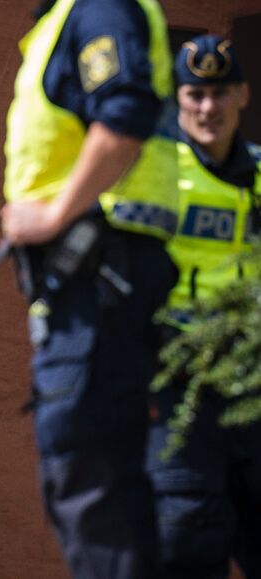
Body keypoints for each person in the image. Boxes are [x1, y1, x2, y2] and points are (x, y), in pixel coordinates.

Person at [0, 0, 179, 577]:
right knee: (92, 483)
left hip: (101, 284)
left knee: (95, 482)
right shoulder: (60, 23)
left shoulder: (99, 9)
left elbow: (123, 119)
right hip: (90, 287)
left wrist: (52, 218)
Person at [146, 34, 261, 579]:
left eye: (219, 93)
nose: (207, 107)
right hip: (179, 396)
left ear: (242, 94)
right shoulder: (152, 175)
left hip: (253, 390)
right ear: (179, 97)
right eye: (195, 94)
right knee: (187, 548)